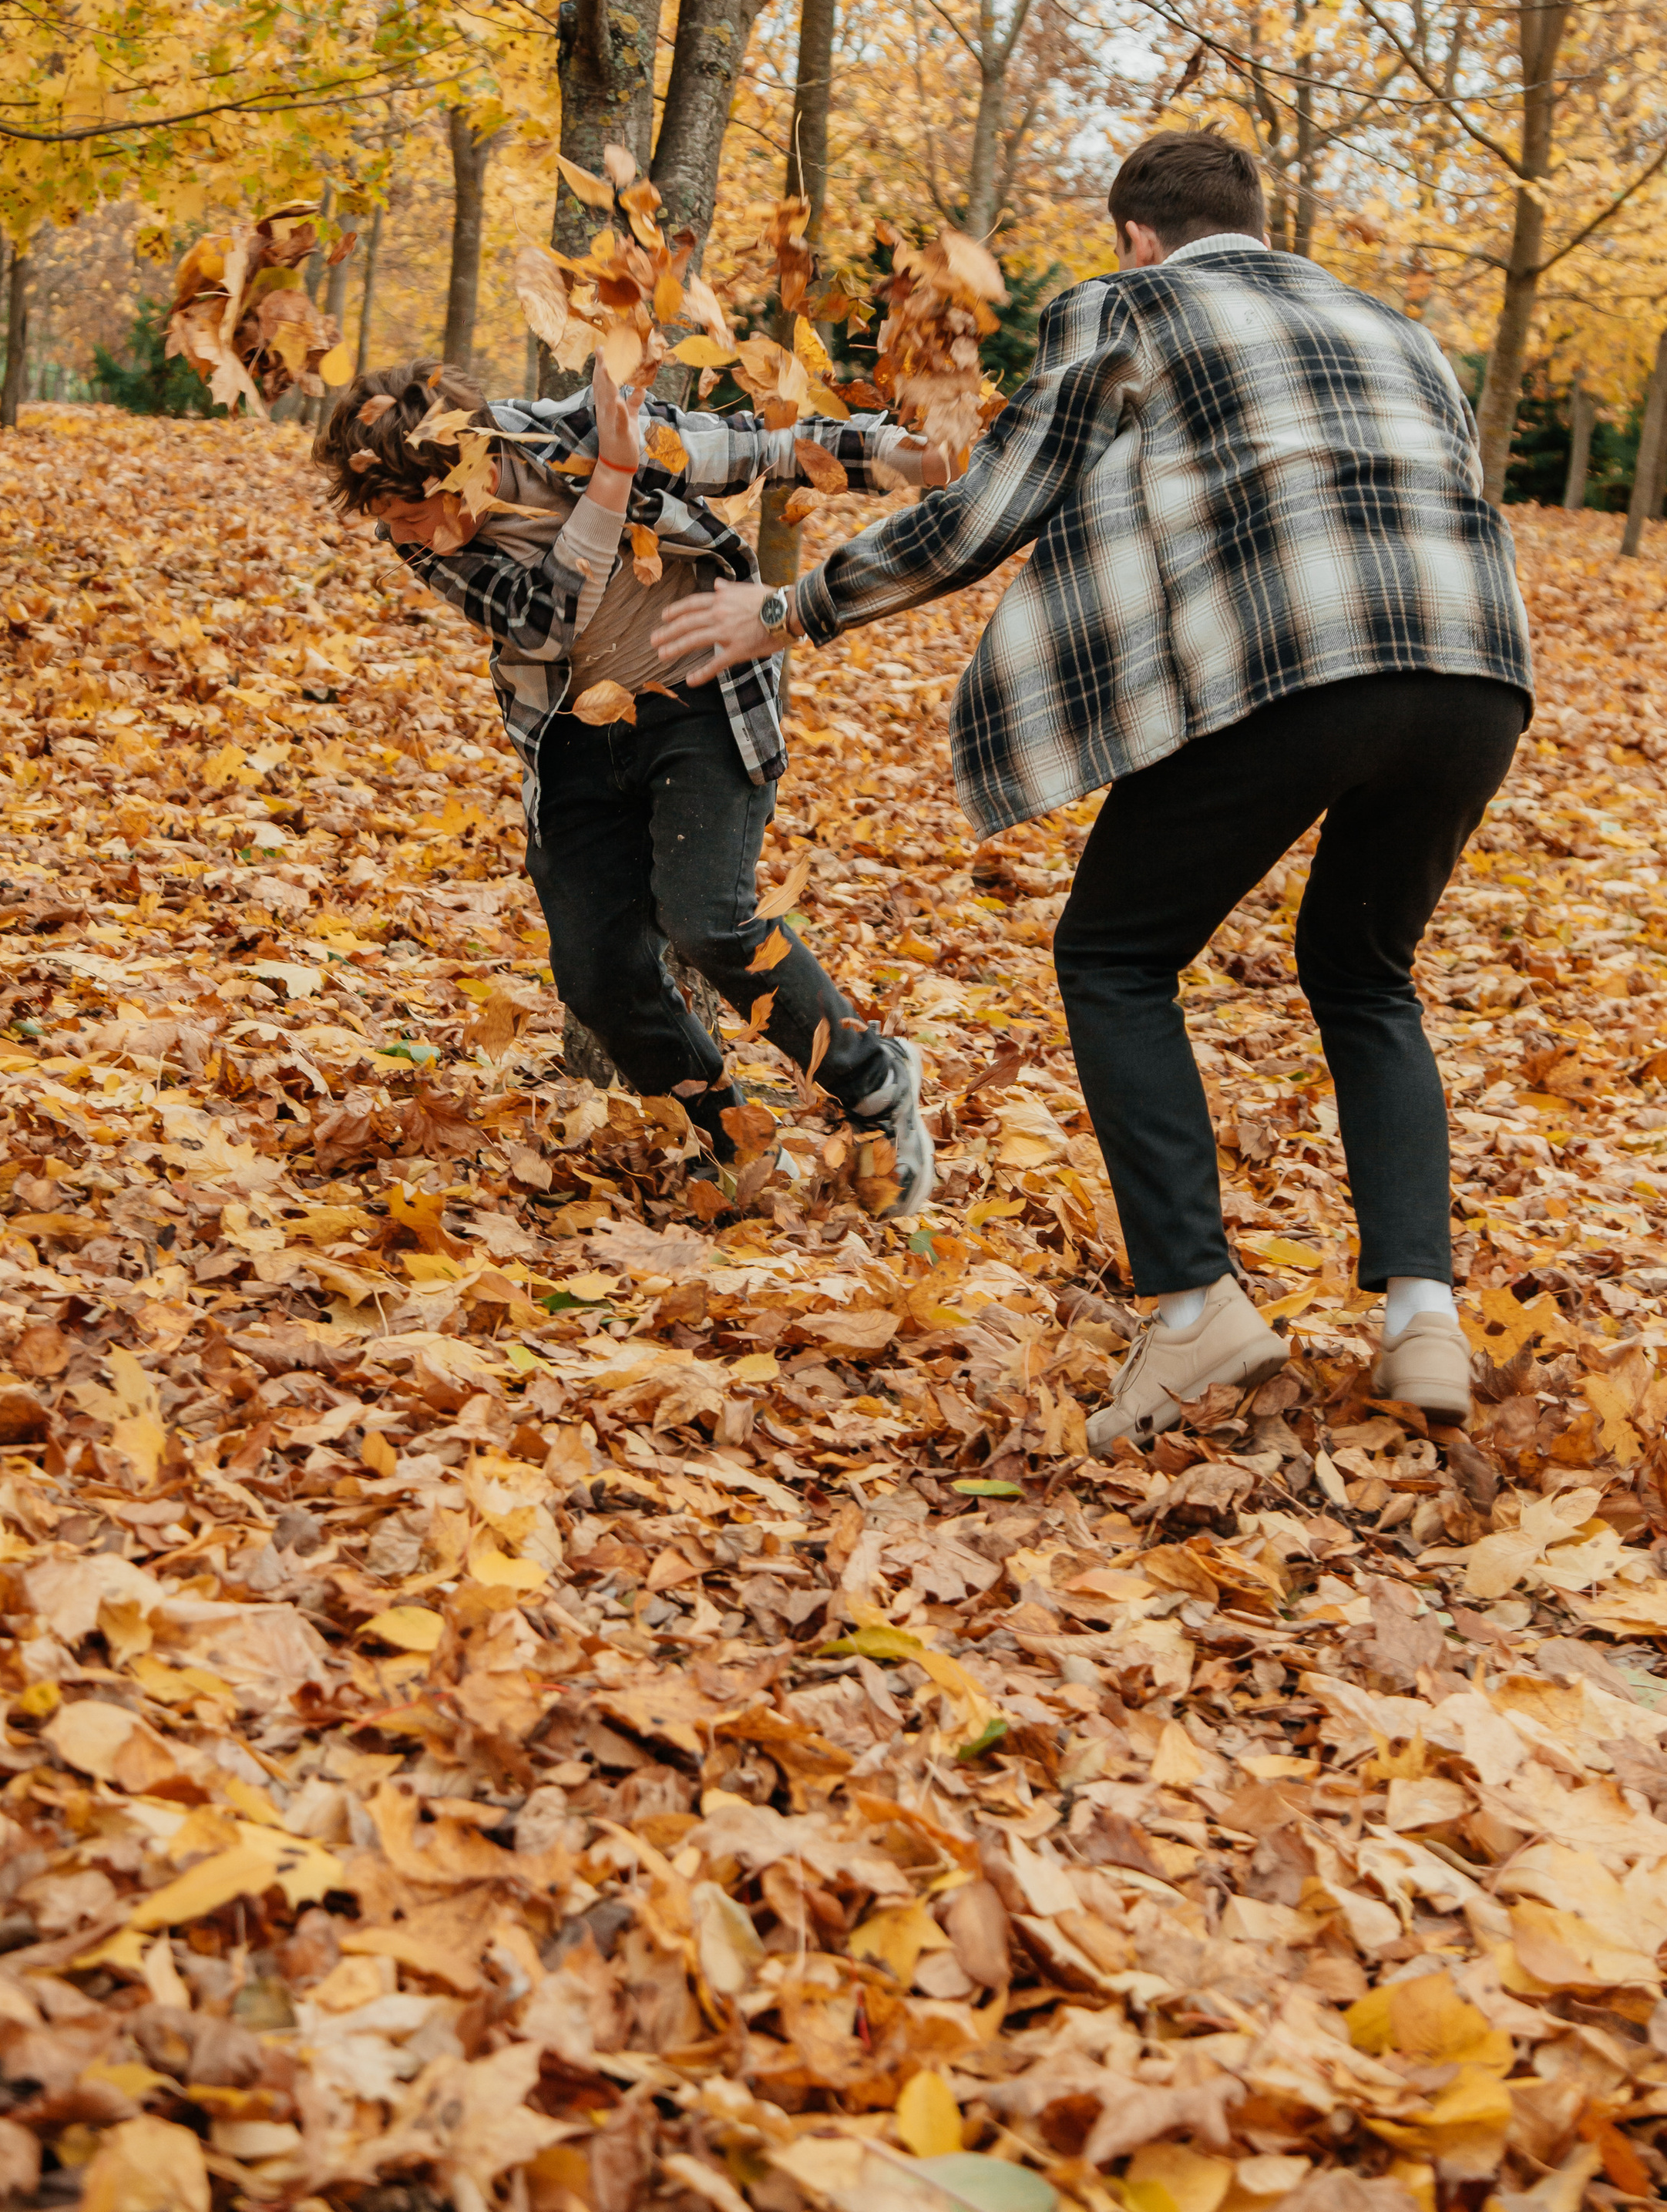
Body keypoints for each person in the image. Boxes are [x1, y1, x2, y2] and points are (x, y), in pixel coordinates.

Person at [654, 129, 1534, 1439]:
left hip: (1301, 655)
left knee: (1114, 955)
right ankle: (1423, 1321)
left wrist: (790, 609)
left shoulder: (1124, 306)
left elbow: (994, 505)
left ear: (1136, 234)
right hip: (1476, 665)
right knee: (1365, 972)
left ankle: (1195, 1313)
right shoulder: (1399, 329)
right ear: (1257, 221)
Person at [314, 354, 943, 1211]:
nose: (410, 536)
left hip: (700, 706)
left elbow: (769, 447)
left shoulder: (584, 432)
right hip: (571, 735)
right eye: (393, 522)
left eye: (418, 513)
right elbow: (542, 623)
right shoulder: (426, 539)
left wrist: (914, 457)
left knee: (707, 920)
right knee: (595, 971)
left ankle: (875, 1085)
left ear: (469, 459)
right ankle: (733, 1141)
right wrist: (613, 482)